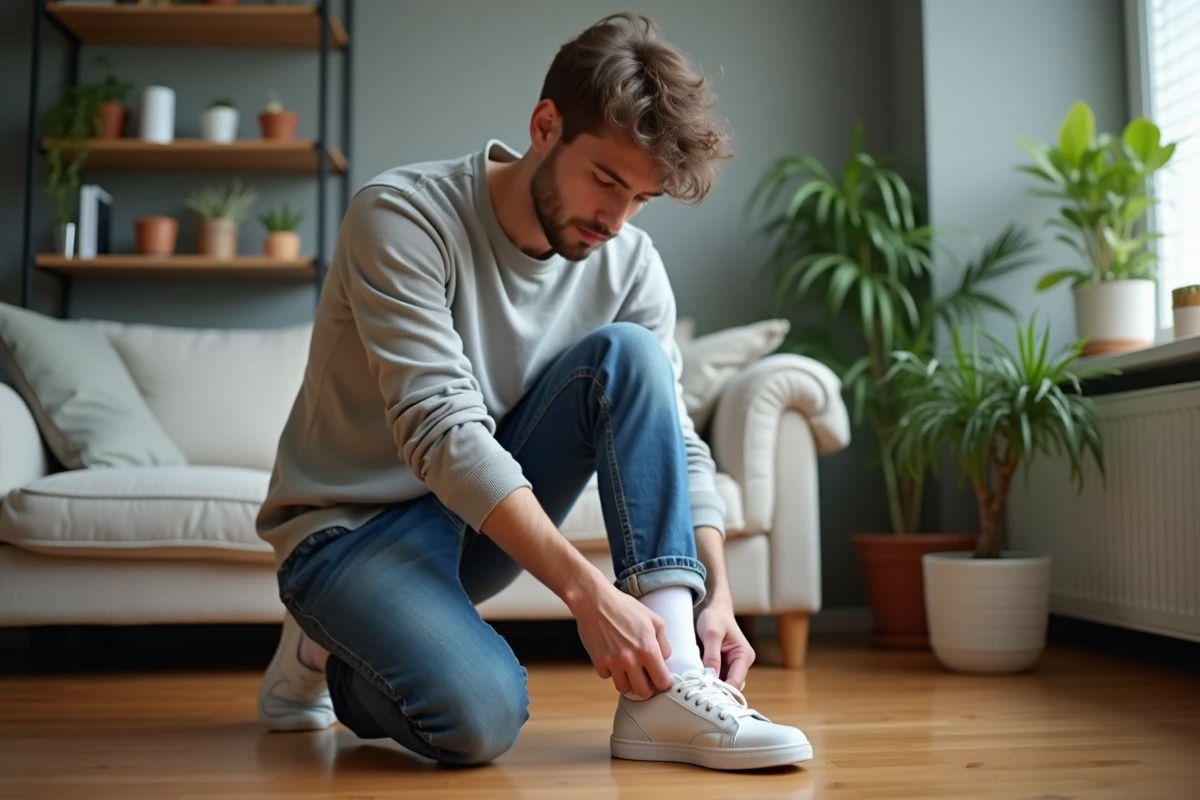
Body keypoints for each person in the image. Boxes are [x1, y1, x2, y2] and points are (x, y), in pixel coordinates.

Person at [254, 12, 812, 771]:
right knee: (478, 720)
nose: (616, 219)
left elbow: (676, 442)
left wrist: (715, 594)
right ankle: (326, 650)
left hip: (471, 525)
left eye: (641, 198)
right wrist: (589, 595)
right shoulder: (402, 216)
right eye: (606, 181)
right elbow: (441, 432)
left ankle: (672, 682)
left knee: (630, 355)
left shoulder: (631, 263)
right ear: (545, 126)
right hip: (346, 530)